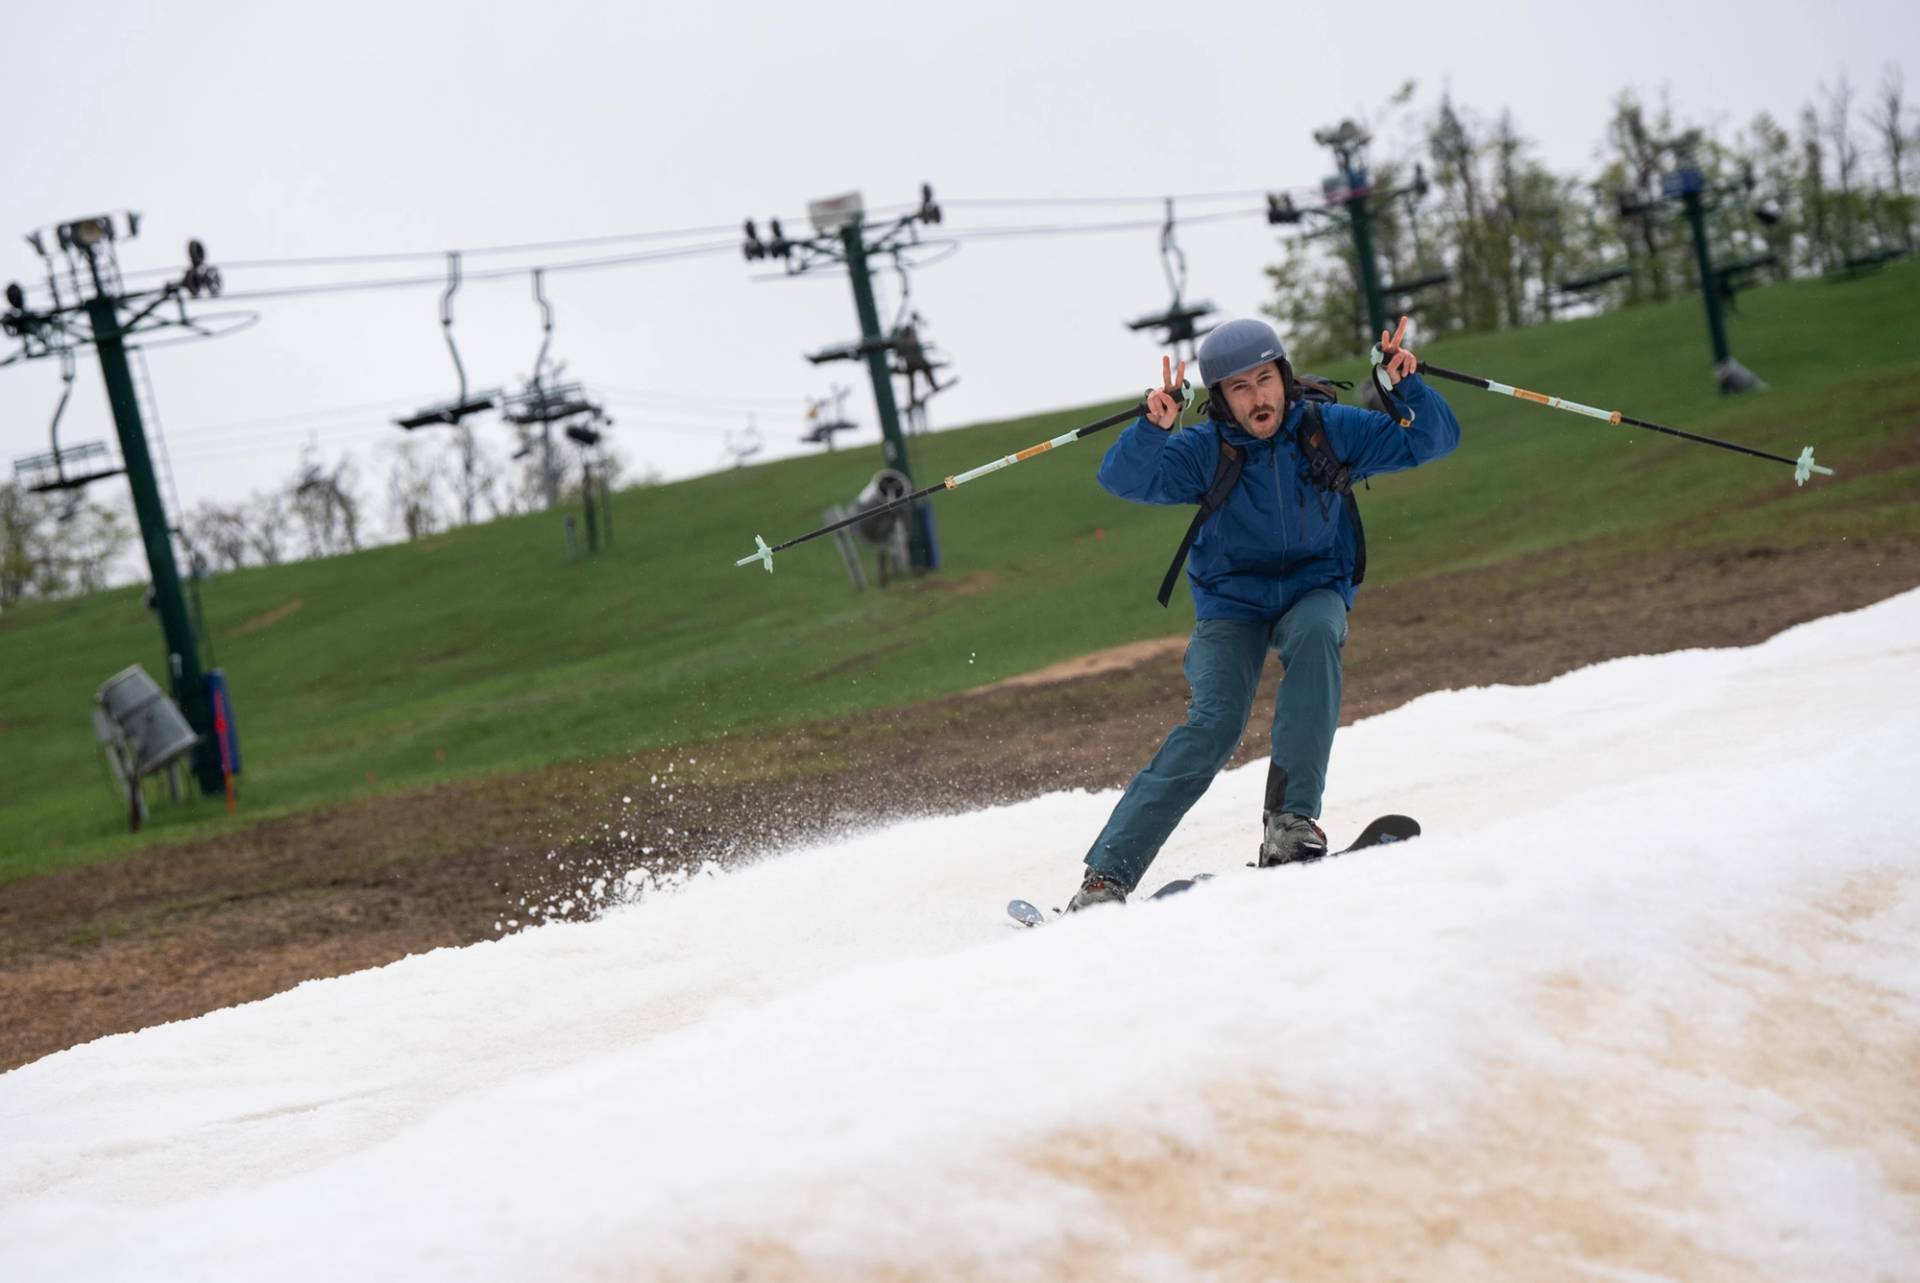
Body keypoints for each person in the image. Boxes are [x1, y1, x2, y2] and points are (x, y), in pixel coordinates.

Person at [1067, 315, 1460, 911]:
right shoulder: (1205, 452)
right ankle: (1104, 880)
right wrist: (1154, 428)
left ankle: (1290, 823)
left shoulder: (1328, 429)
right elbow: (1123, 480)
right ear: (1222, 400)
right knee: (1215, 726)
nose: (1259, 397)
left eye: (1265, 379)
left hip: (1313, 588)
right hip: (1232, 606)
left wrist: (1407, 389)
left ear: (1284, 376)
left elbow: (1431, 441)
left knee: (1317, 635)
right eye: (1240, 387)